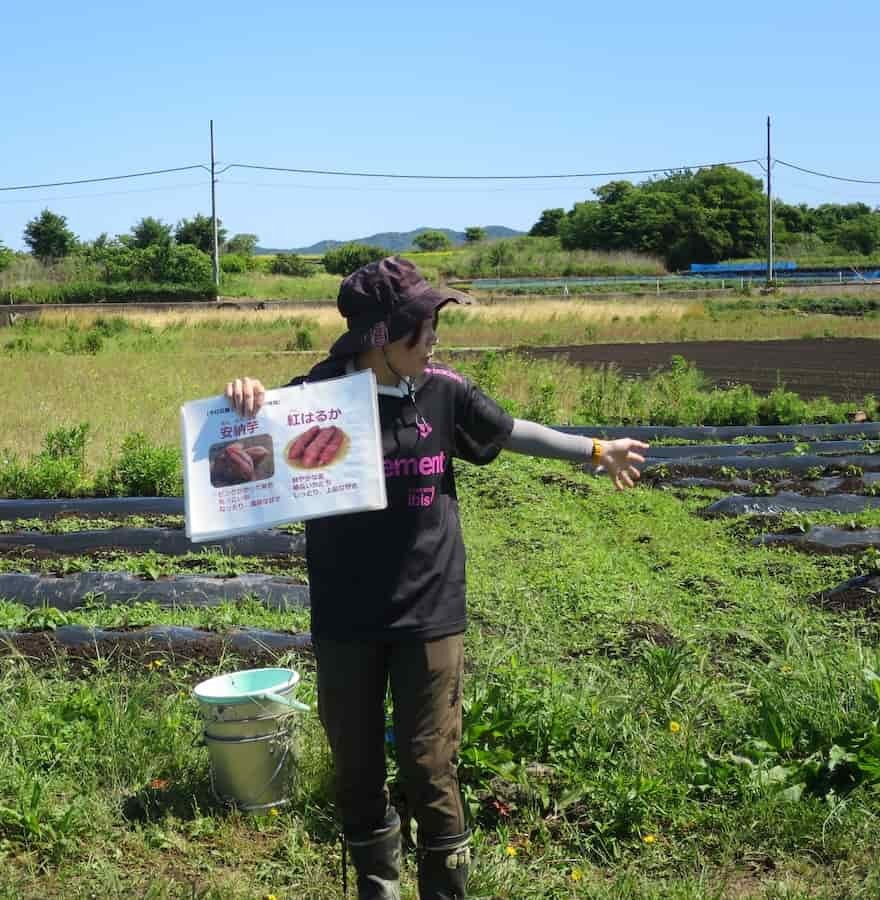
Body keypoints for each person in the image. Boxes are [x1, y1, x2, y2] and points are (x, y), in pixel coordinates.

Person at [224, 257, 647, 899]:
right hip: (346, 614)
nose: (434, 340)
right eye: (422, 329)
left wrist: (595, 450)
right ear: (380, 340)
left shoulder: (444, 390)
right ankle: (378, 888)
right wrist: (247, 398)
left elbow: (510, 433)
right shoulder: (313, 398)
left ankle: (445, 890)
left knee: (428, 765)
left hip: (429, 606)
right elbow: (248, 438)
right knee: (357, 767)